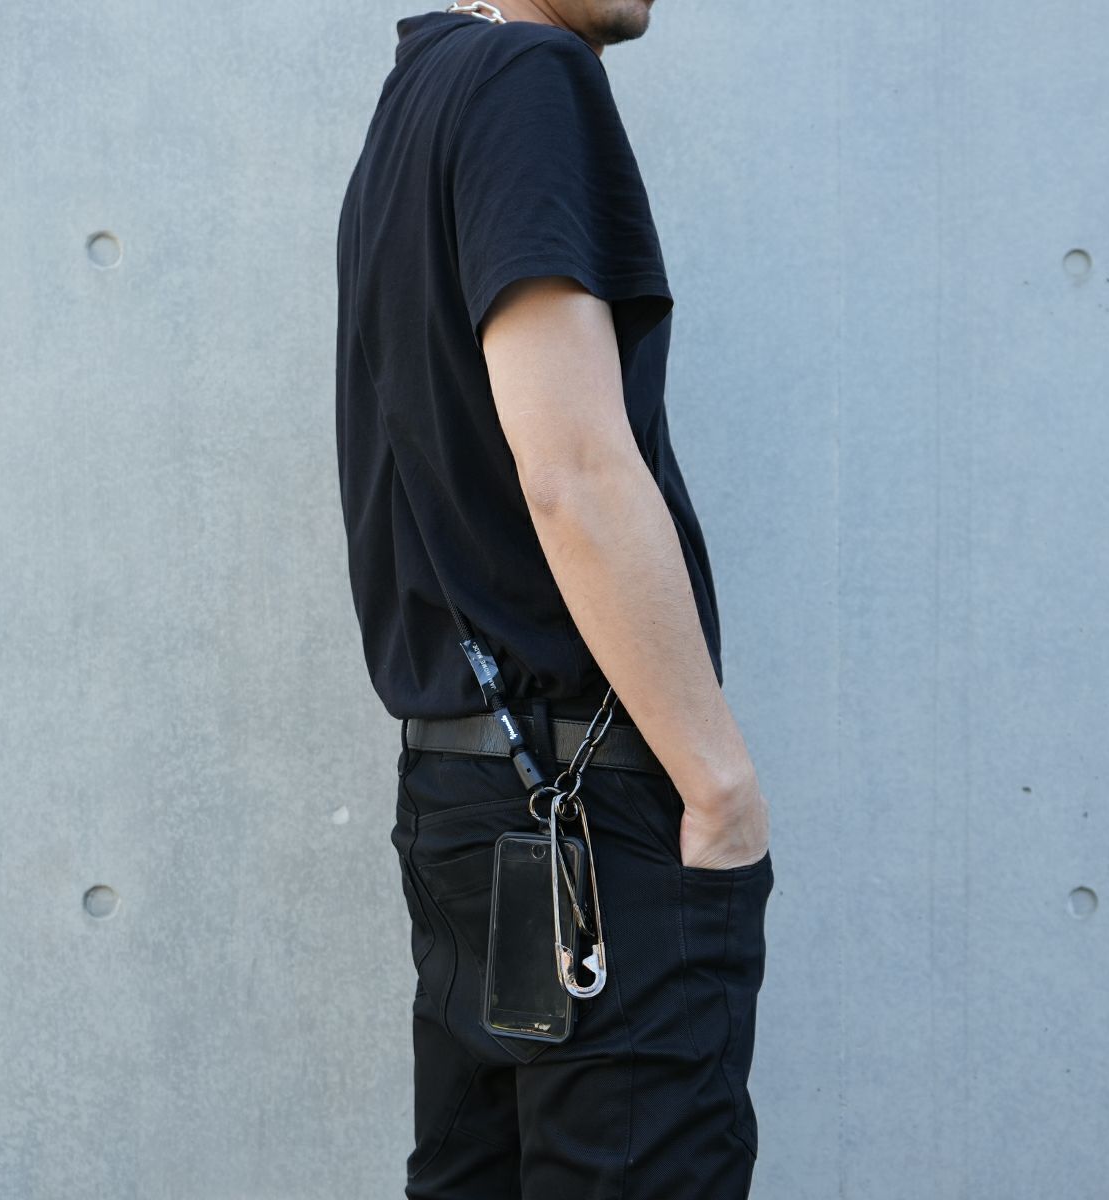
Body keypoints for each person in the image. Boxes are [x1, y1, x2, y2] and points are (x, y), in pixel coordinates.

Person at [335, 2, 773, 1196]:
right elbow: (571, 470)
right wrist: (720, 787)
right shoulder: (528, 74)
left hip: (464, 798)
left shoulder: (418, 96)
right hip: (592, 812)